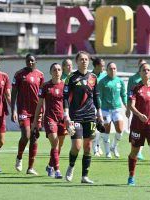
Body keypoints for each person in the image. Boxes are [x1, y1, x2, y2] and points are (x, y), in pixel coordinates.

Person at [63, 51, 103, 184]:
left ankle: (84, 176)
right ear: (77, 61)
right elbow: (66, 99)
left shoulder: (93, 77)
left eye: (86, 59)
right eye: (81, 59)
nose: (84, 61)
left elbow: (96, 97)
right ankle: (71, 166)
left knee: (87, 146)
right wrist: (66, 115)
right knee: (77, 145)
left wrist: (99, 114)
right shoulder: (71, 78)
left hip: (90, 115)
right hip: (76, 116)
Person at [127, 63, 150, 187]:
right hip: (138, 124)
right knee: (135, 151)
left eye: (148, 70)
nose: (146, 72)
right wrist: (139, 115)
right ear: (140, 73)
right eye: (144, 70)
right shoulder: (135, 88)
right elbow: (131, 106)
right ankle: (131, 177)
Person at [11, 54, 44, 175]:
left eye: (32, 61)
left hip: (36, 110)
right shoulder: (19, 74)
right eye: (28, 60)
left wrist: (42, 110)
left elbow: (42, 95)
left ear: (35, 62)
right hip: (23, 109)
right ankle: (19, 157)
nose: (30, 62)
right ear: (25, 61)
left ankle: (30, 168)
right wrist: (13, 109)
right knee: (26, 135)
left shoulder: (40, 75)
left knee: (34, 137)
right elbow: (13, 92)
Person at [32, 63, 66, 179]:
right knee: (55, 143)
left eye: (59, 69)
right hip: (49, 118)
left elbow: (68, 104)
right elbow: (39, 105)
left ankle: (50, 165)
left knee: (59, 146)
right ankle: (57, 170)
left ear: (61, 72)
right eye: (54, 70)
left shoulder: (65, 86)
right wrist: (36, 121)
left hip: (62, 119)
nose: (57, 71)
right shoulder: (45, 86)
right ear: (51, 72)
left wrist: (69, 119)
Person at [126, 59, 150, 160]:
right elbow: (129, 96)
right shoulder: (134, 82)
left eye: (148, 69)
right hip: (138, 118)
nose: (146, 71)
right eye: (143, 68)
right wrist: (128, 108)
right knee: (135, 147)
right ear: (139, 70)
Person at [98, 62, 127, 158]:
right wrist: (99, 110)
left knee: (120, 129)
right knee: (107, 130)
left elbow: (123, 94)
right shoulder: (102, 82)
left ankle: (114, 147)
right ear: (107, 70)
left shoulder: (120, 81)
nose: (113, 70)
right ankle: (107, 152)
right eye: (110, 68)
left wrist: (126, 105)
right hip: (105, 109)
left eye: (114, 68)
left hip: (117, 109)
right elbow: (99, 97)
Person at [91, 57, 107, 156]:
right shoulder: (90, 76)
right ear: (97, 66)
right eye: (102, 65)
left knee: (101, 128)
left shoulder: (104, 76)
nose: (104, 67)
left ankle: (97, 145)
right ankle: (95, 148)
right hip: (91, 105)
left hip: (102, 106)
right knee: (94, 128)